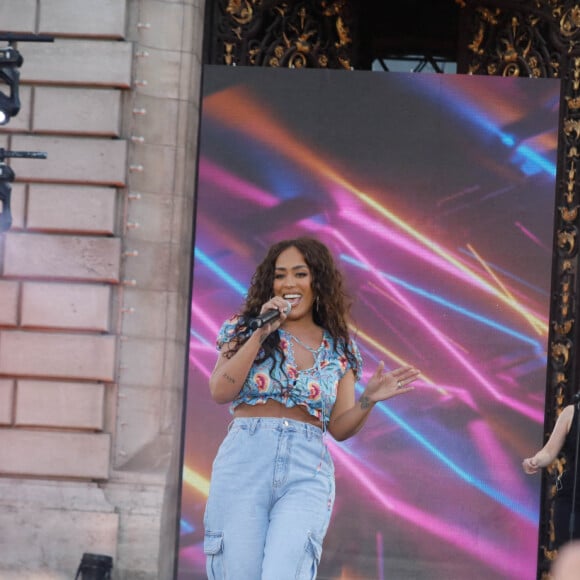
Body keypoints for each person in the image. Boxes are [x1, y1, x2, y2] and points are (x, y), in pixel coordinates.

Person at [203, 237, 421, 580]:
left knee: (285, 571)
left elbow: (339, 427)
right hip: (244, 462)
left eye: (300, 274)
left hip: (306, 470)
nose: (289, 283)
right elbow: (220, 390)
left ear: (316, 282)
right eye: (280, 275)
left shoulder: (339, 347)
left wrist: (369, 399)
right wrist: (260, 332)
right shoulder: (244, 327)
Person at [522, 398, 580, 549]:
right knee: (569, 558)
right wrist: (534, 460)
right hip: (572, 500)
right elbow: (549, 451)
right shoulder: (572, 412)